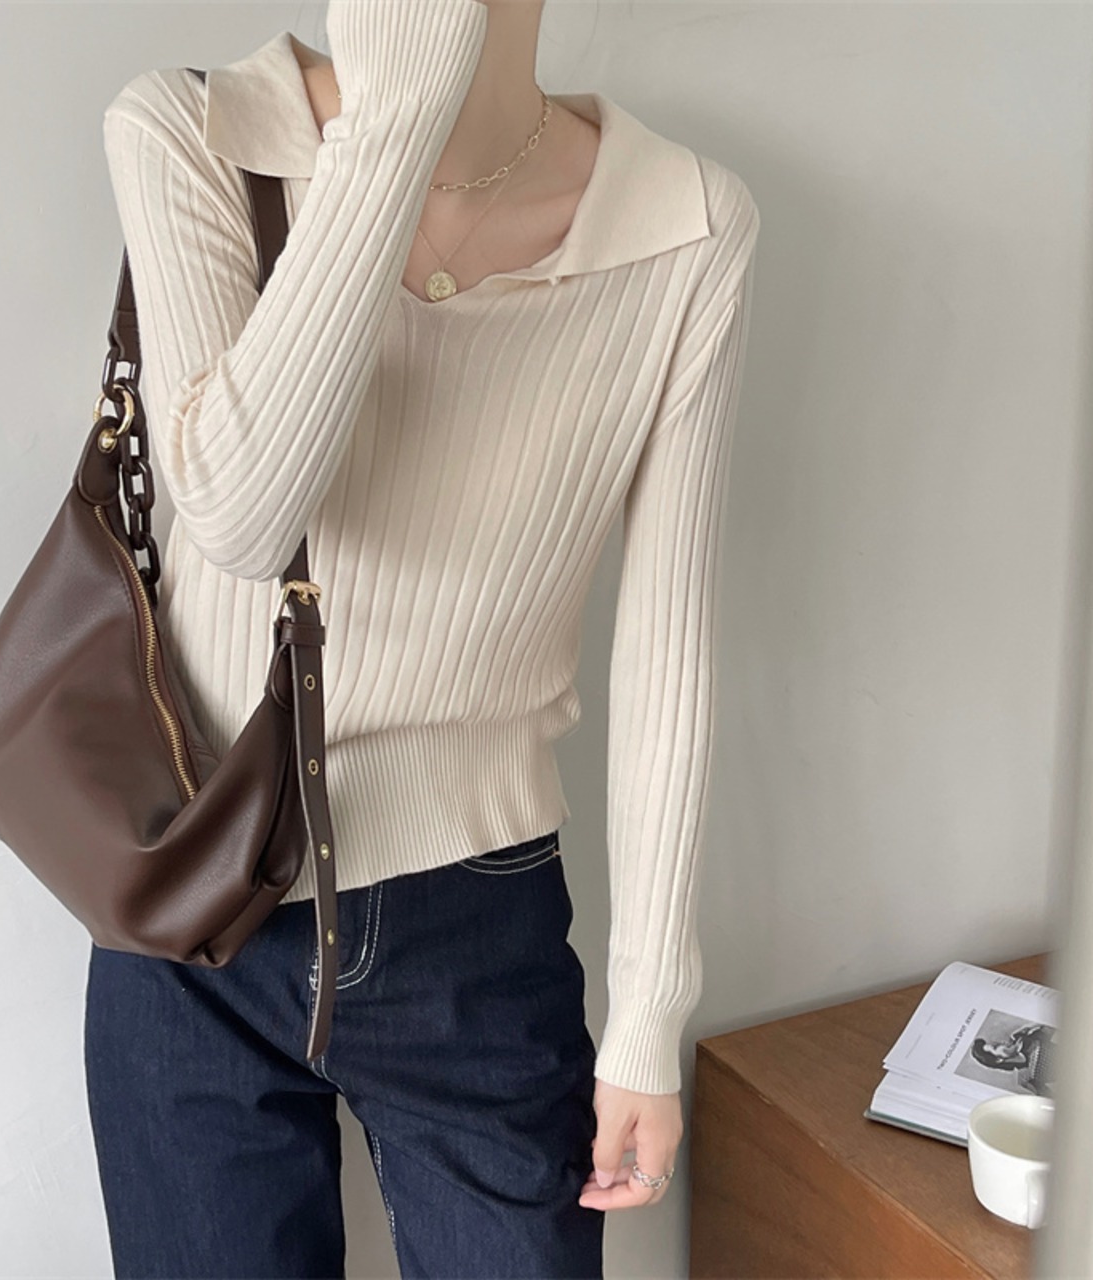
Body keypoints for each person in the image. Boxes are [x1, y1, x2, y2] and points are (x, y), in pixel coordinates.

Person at [83, 0, 761, 1275]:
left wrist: (647, 1015)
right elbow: (238, 513)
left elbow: (667, 641)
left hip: (478, 927)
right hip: (193, 903)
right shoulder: (195, 130)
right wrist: (394, 121)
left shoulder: (682, 222)